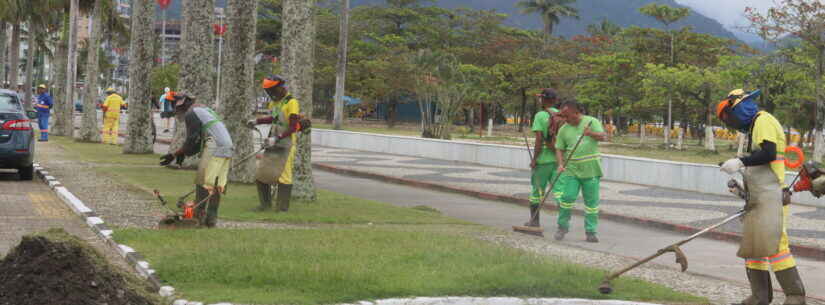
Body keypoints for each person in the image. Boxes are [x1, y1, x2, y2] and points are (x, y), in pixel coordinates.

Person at [717, 89, 806, 305]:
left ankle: (795, 296)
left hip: (771, 195)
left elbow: (768, 153)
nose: (731, 123)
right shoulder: (753, 128)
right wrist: (742, 185)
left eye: (729, 117)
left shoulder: (762, 120)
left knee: (776, 247)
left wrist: (740, 162)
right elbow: (761, 163)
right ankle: (760, 297)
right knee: (754, 247)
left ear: (737, 107)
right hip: (758, 195)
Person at [160, 93, 234, 228]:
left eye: (175, 107)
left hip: (216, 146)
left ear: (181, 104)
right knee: (215, 184)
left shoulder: (192, 113)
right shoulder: (202, 110)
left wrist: (174, 155)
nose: (175, 111)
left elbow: (191, 140)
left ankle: (198, 218)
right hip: (227, 146)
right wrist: (182, 154)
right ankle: (211, 220)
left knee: (203, 181)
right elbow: (195, 143)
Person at [247, 75, 302, 212]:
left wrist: (277, 138)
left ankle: (282, 208)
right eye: (269, 92)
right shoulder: (275, 103)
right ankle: (265, 205)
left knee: (284, 176)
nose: (271, 94)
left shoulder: (291, 102)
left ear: (280, 88)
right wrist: (257, 121)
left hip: (286, 144)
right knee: (261, 175)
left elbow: (293, 126)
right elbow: (274, 118)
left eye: (273, 90)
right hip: (273, 143)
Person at [553, 100, 606, 243]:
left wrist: (590, 133)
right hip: (572, 171)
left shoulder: (591, 121)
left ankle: (591, 232)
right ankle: (562, 227)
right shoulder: (564, 129)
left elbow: (603, 136)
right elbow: (559, 148)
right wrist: (560, 164)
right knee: (567, 199)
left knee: (591, 204)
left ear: (576, 113)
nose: (565, 119)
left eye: (567, 116)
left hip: (591, 170)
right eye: (563, 116)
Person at [524, 88, 563, 228]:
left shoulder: (541, 115)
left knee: (537, 192)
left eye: (541, 98)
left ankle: (534, 222)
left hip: (544, 160)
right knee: (559, 192)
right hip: (559, 160)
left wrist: (534, 159)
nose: (539, 100)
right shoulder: (561, 115)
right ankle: (563, 225)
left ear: (546, 100)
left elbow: (539, 139)